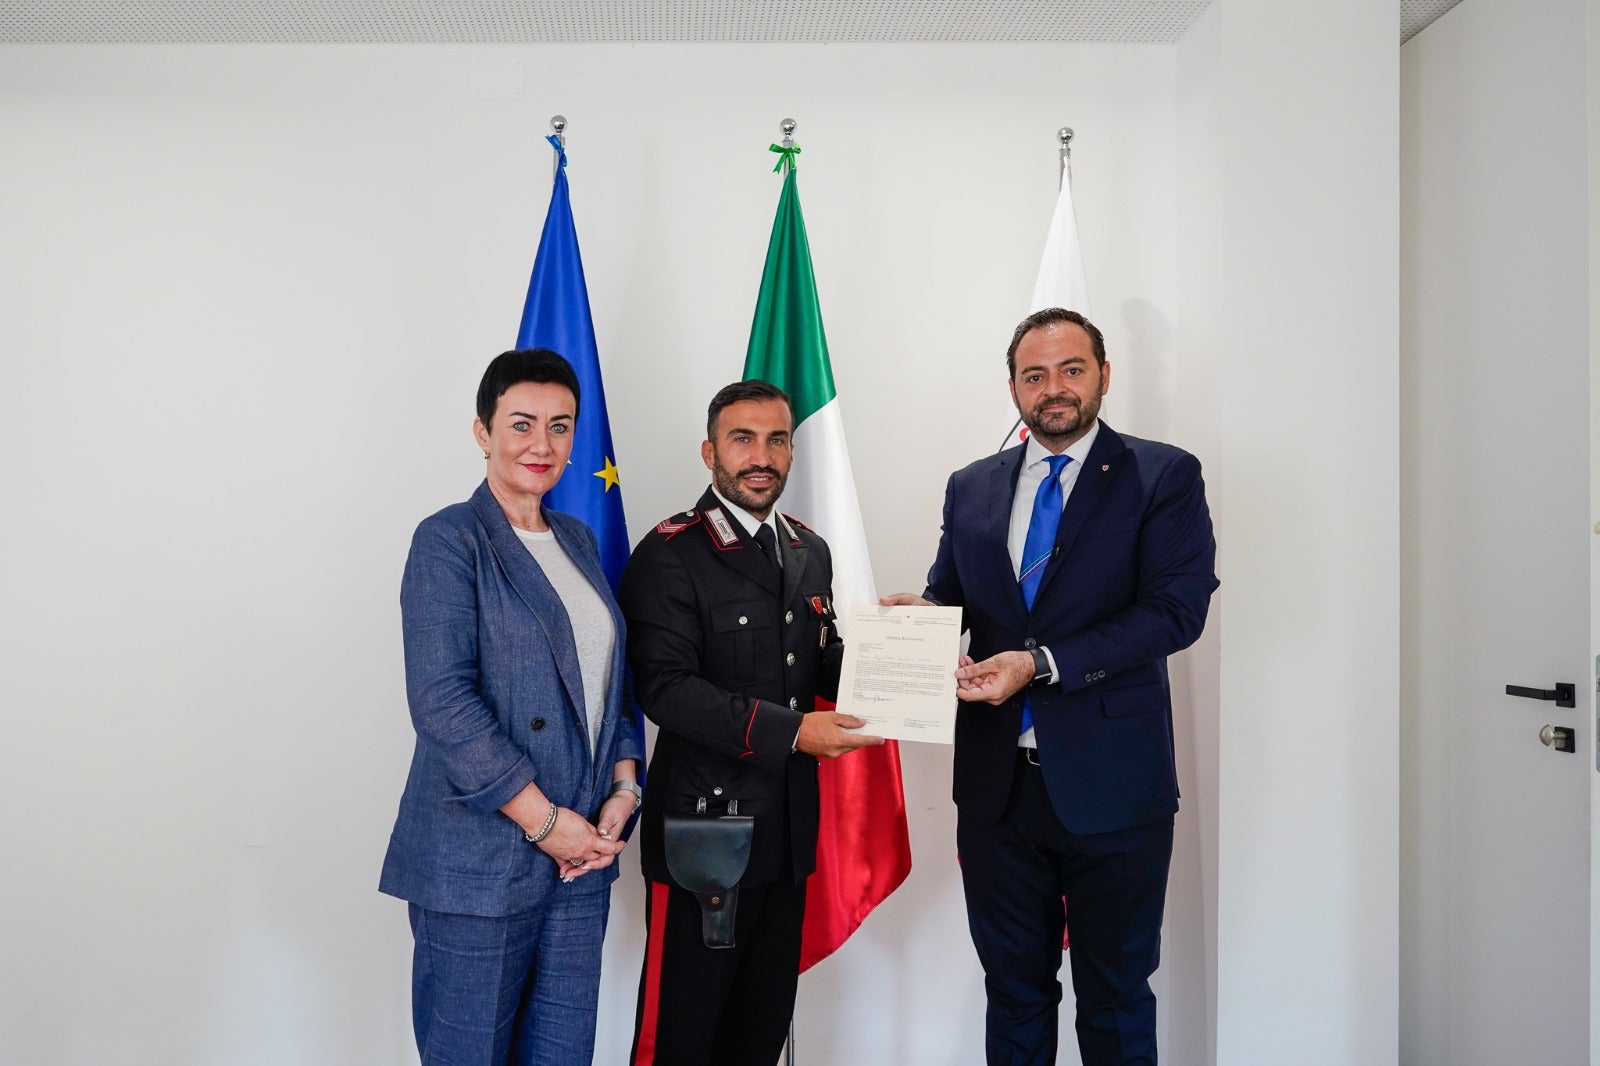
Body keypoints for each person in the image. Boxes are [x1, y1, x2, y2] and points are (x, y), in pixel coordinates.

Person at [883, 309, 1218, 1066]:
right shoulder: (971, 486)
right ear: (1013, 388)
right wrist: (925, 619)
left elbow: (1175, 612)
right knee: (1014, 996)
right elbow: (954, 595)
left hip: (1115, 786)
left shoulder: (1162, 475)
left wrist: (1037, 663)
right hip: (998, 791)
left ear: (1104, 375)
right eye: (1034, 375)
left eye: (1072, 369)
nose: (1054, 388)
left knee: (1115, 999)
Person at [379, 348, 645, 1066]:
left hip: (581, 859)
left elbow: (611, 682)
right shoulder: (449, 539)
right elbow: (442, 703)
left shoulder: (578, 539)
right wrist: (546, 824)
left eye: (560, 426)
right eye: (521, 423)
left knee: (562, 1055)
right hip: (481, 857)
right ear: (483, 431)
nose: (542, 444)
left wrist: (624, 789)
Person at [621, 379, 883, 1066]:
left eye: (776, 440)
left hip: (786, 834)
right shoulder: (671, 553)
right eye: (742, 439)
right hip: (705, 837)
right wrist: (794, 733)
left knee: (758, 1035)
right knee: (681, 1039)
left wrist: (905, 659)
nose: (761, 456)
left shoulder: (807, 549)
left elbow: (819, 659)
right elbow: (666, 690)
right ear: (711, 451)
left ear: (792, 451)